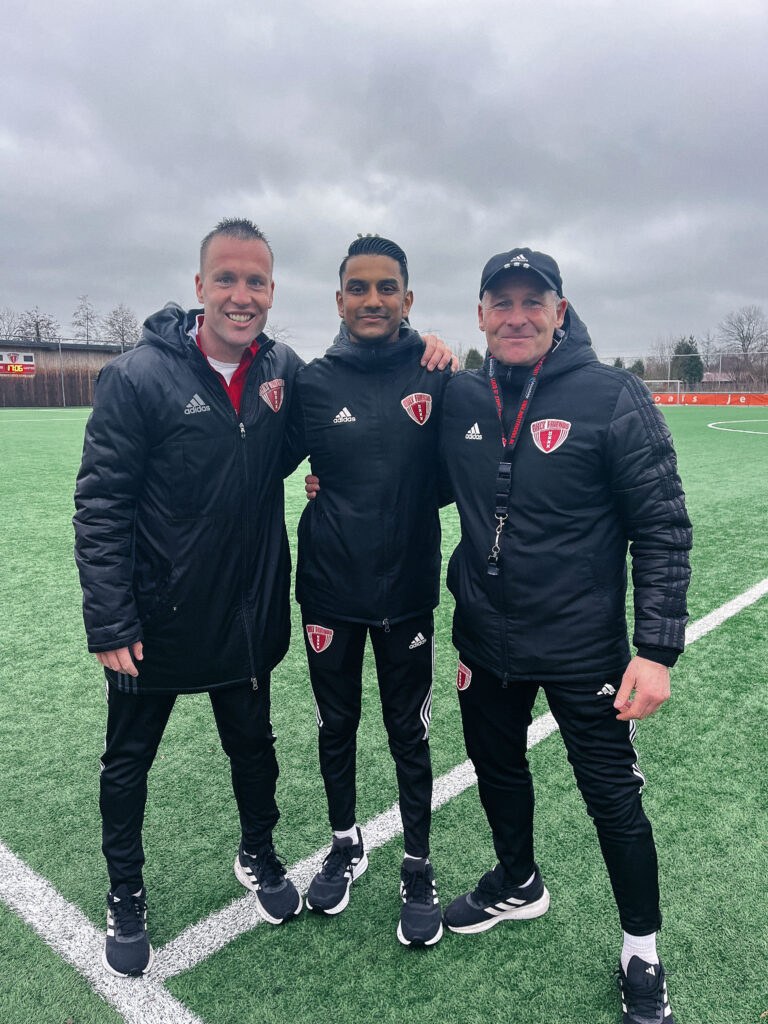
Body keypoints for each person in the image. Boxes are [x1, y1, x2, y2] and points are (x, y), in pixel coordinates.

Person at [438, 248, 691, 1023]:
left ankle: (641, 948)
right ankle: (518, 882)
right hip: (485, 640)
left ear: (560, 310)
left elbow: (661, 525)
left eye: (533, 301)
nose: (516, 316)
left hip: (584, 648)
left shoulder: (612, 395)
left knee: (613, 799)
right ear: (481, 314)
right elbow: (421, 478)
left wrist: (656, 650)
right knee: (496, 766)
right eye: (501, 302)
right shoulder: (459, 395)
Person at [73, 218, 307, 977]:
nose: (242, 295)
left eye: (256, 281)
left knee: (254, 749)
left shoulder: (283, 370)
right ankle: (126, 890)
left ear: (272, 291)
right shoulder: (137, 376)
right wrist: (111, 619)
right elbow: (101, 505)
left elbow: (334, 419)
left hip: (245, 614)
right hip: (155, 620)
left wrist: (423, 347)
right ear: (200, 286)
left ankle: (258, 851)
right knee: (128, 762)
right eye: (227, 279)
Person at [287, 236, 452, 947]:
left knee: (408, 729)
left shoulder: (438, 375)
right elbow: (256, 456)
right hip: (329, 588)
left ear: (408, 299)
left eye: (388, 288)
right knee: (337, 724)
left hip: (407, 589)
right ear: (339, 300)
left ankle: (418, 863)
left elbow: (457, 475)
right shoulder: (313, 383)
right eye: (359, 287)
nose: (373, 299)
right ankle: (345, 843)